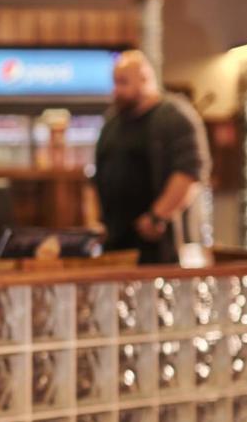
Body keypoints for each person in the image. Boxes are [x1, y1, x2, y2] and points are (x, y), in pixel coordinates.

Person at [85, 50, 210, 265]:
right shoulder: (112, 123)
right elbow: (94, 178)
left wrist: (157, 216)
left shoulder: (174, 116)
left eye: (123, 82)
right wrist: (95, 222)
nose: (117, 90)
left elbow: (190, 171)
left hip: (162, 243)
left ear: (145, 79)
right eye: (115, 83)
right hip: (117, 242)